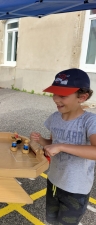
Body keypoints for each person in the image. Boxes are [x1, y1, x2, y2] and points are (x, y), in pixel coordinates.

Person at [30, 68, 96, 225]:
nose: (56, 99)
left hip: (76, 188)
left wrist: (61, 146)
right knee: (52, 220)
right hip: (54, 181)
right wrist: (41, 141)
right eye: (54, 94)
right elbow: (53, 144)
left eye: (63, 96)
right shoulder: (55, 118)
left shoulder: (89, 121)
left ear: (82, 97)